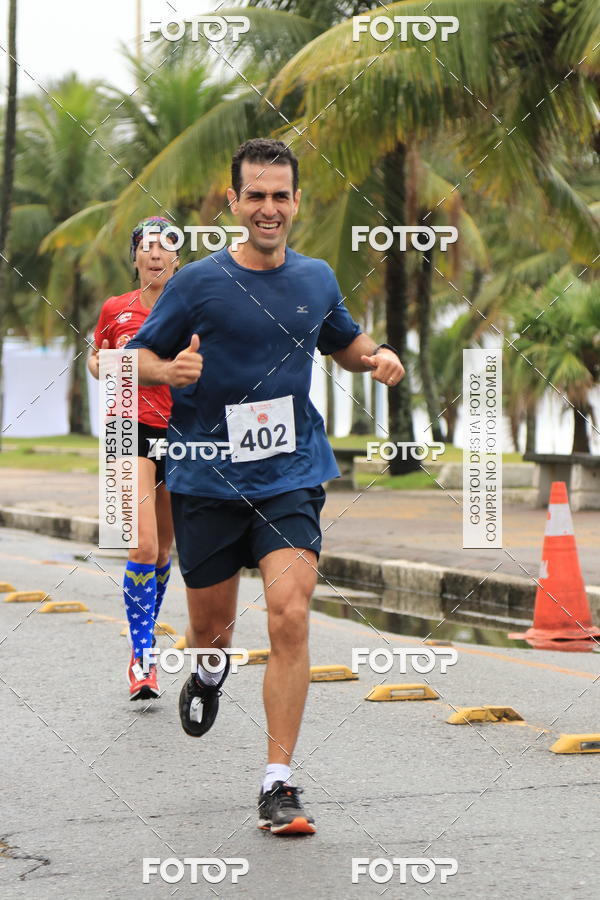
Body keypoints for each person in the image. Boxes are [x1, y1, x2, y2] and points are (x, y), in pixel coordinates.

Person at [127, 139, 405, 833]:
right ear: (234, 202)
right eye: (256, 195)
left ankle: (278, 783)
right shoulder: (197, 283)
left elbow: (340, 340)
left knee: (289, 610)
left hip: (290, 474)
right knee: (210, 631)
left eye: (281, 195)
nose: (269, 208)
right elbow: (129, 360)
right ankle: (211, 671)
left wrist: (375, 356)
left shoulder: (315, 278)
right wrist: (168, 375)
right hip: (205, 477)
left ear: (297, 201)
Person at [88, 217, 179, 701]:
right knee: (142, 548)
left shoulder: (192, 309)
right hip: (128, 430)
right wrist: (100, 364)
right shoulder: (116, 308)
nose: (156, 253)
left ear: (177, 258)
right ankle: (141, 661)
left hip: (182, 435)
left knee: (164, 553)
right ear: (137, 257)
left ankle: (145, 639)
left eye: (166, 245)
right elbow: (96, 353)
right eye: (148, 246)